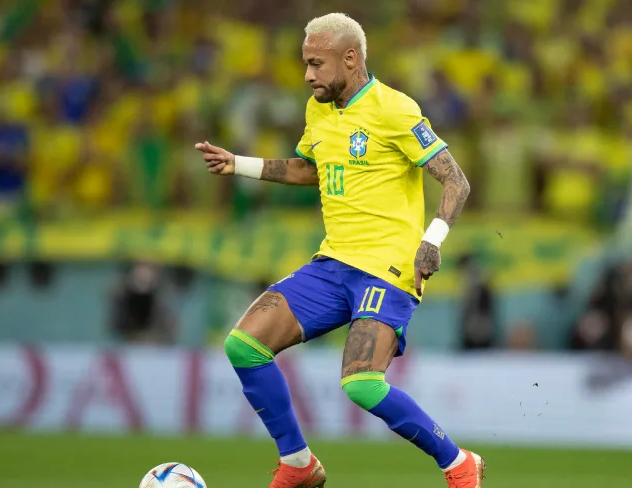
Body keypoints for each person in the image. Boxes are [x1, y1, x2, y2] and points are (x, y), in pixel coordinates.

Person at [195, 13, 480, 488]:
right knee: (243, 345)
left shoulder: (395, 109)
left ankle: (458, 463)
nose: (308, 75)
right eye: (305, 64)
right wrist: (238, 165)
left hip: (386, 270)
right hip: (333, 264)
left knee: (361, 385)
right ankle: (299, 464)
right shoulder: (318, 110)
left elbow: (456, 178)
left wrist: (432, 241)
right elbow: (311, 169)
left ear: (350, 58)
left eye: (315, 63)